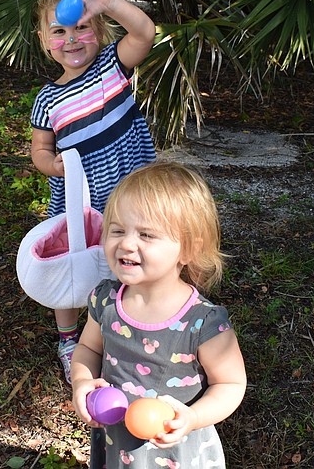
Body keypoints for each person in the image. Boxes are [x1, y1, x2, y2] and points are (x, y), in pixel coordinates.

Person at [70, 162, 247, 468]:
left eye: (147, 235)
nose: (126, 243)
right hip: (117, 442)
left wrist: (191, 418)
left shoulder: (202, 322)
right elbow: (87, 349)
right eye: (117, 230)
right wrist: (82, 383)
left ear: (188, 250)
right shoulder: (106, 300)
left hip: (175, 451)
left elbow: (230, 385)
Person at [30, 0, 157, 384]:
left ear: (99, 29)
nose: (71, 38)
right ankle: (70, 339)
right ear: (44, 39)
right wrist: (55, 166)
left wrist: (107, 1)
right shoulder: (47, 98)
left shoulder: (111, 66)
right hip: (80, 199)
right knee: (69, 267)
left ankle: (130, 324)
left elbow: (144, 31)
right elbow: (40, 151)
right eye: (60, 31)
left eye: (82, 26)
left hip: (129, 191)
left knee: (129, 258)